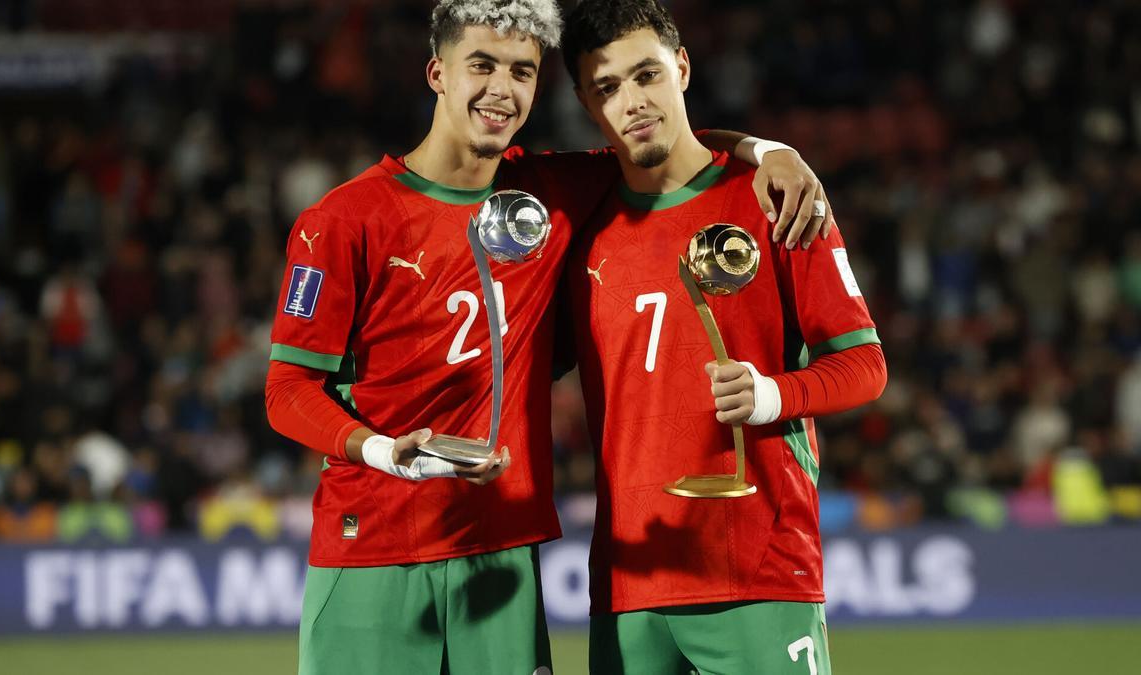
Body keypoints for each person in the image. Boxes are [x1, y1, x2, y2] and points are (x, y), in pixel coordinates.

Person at [265, 1, 831, 672]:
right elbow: (287, 391)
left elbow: (668, 137)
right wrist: (385, 450)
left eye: (522, 71)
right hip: (373, 545)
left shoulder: (555, 193)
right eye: (481, 65)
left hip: (503, 549)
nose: (502, 89)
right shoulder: (343, 219)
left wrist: (769, 150)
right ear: (436, 72)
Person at [560, 1, 889, 673]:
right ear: (586, 104)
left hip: (757, 569)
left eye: (646, 74)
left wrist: (772, 395)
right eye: (607, 88)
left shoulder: (776, 198)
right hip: (628, 584)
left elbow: (865, 363)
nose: (633, 101)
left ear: (681, 67)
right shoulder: (579, 220)